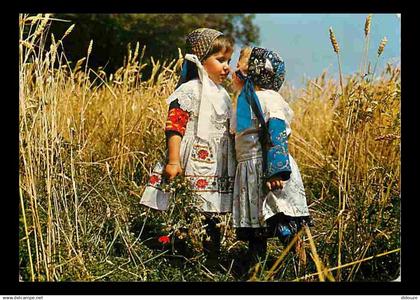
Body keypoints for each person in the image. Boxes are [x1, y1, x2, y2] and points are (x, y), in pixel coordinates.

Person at [140, 28, 235, 263]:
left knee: (212, 210)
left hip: (215, 164)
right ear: (201, 59)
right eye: (220, 60)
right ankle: (178, 254)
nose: (227, 67)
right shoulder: (189, 90)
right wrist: (173, 160)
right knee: (186, 206)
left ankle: (211, 255)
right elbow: (175, 126)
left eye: (229, 61)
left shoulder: (222, 94)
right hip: (192, 157)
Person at [230, 47, 312, 267]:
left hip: (267, 167)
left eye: (244, 64)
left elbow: (276, 132)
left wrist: (276, 170)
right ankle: (258, 269)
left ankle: (300, 265)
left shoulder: (269, 99)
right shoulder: (245, 99)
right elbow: (238, 135)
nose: (237, 69)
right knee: (257, 226)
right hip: (249, 170)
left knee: (282, 218)